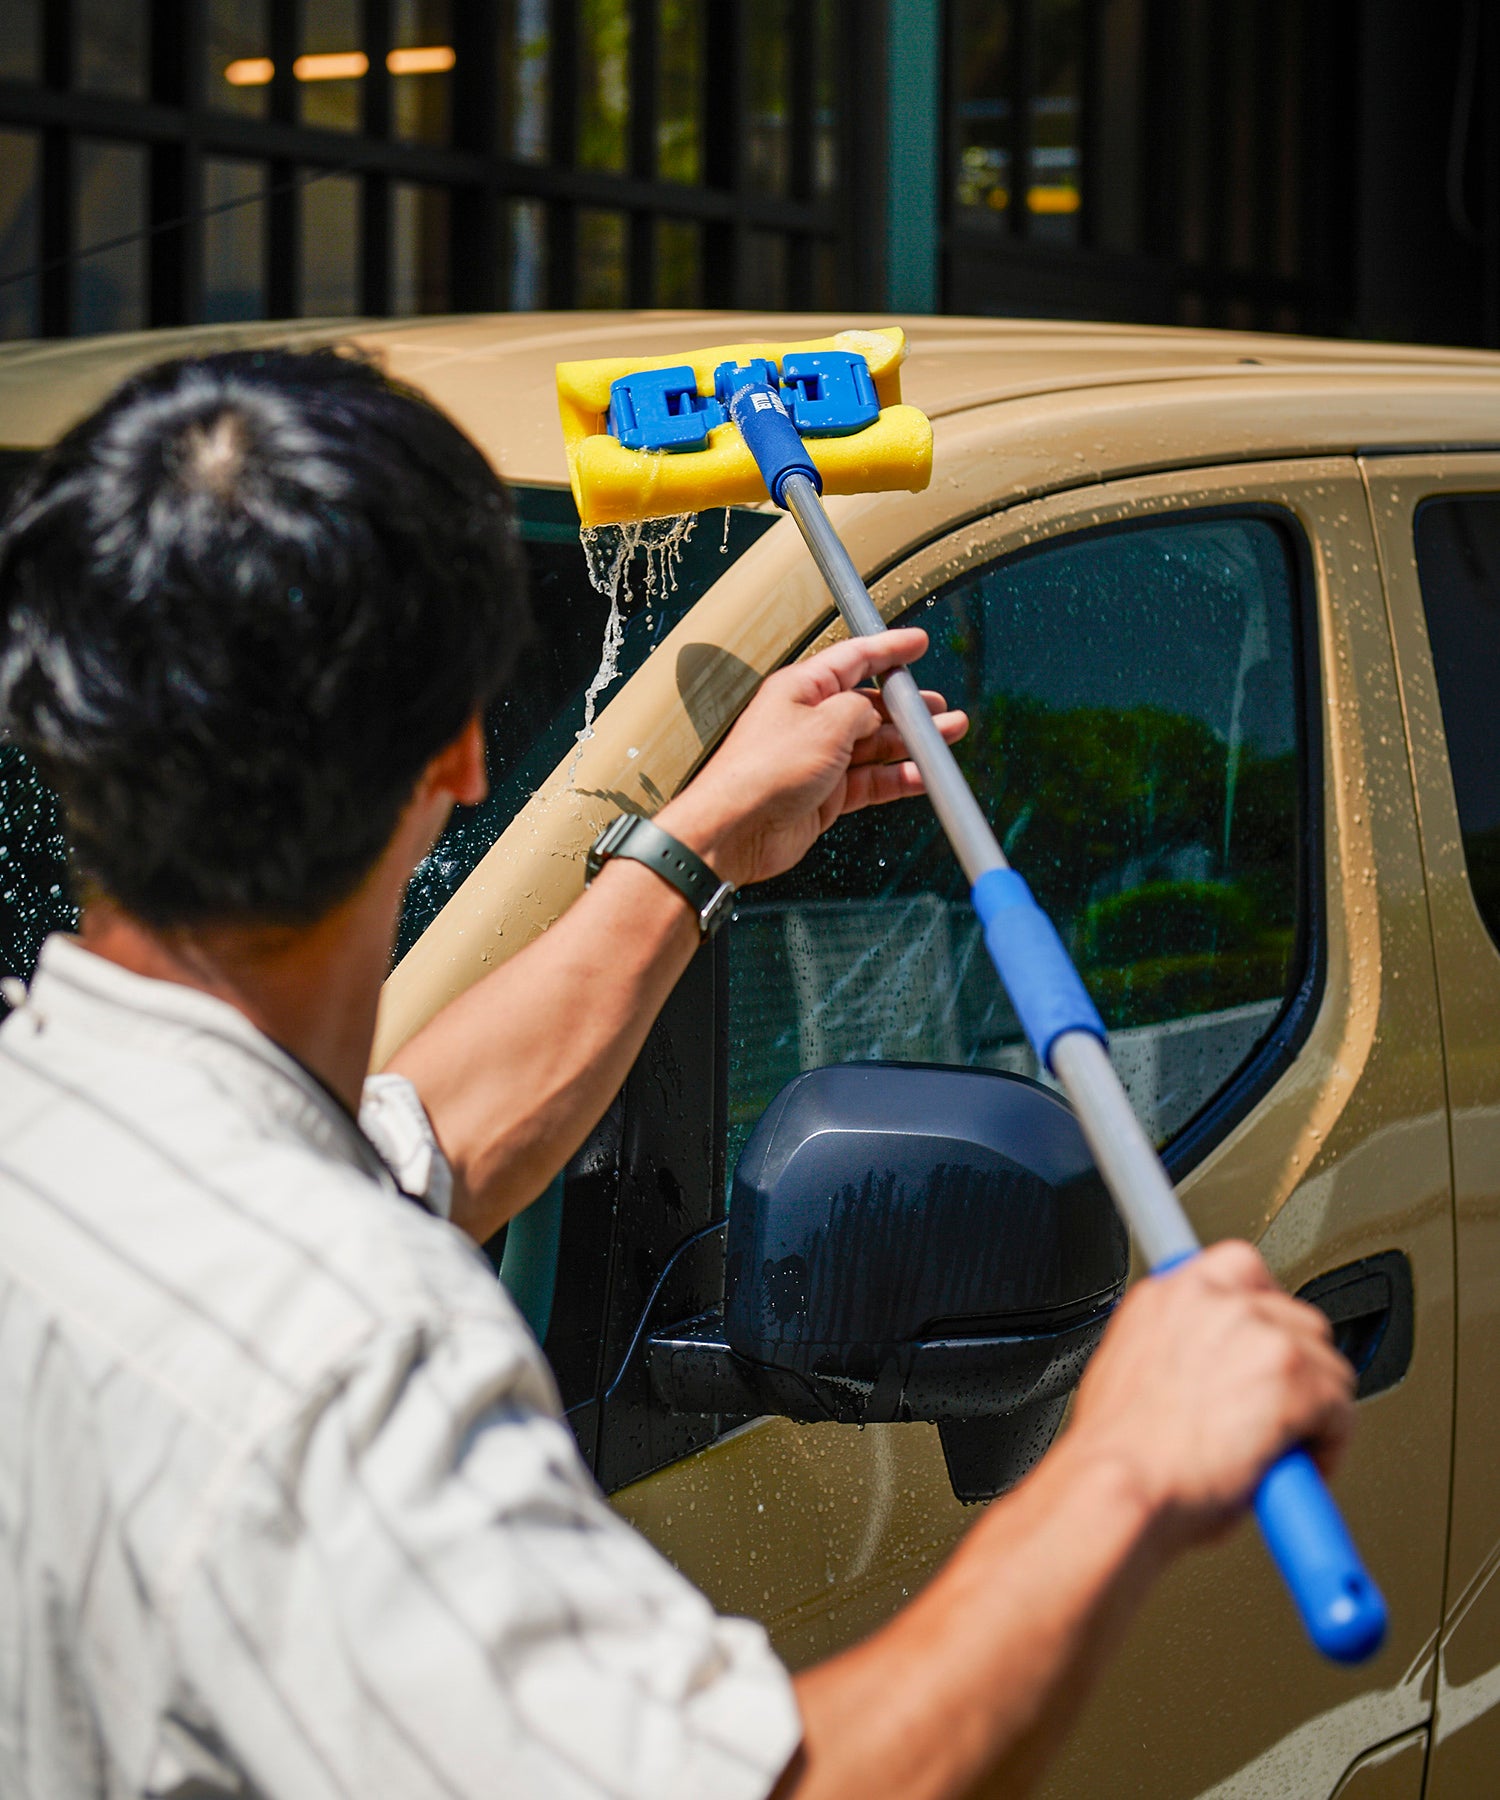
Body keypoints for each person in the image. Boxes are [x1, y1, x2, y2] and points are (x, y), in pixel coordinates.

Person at [0, 349, 1355, 1800]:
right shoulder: (353, 1358)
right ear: (461, 754)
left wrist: (698, 838)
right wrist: (1125, 1468)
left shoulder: (69, 1123)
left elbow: (408, 1150)